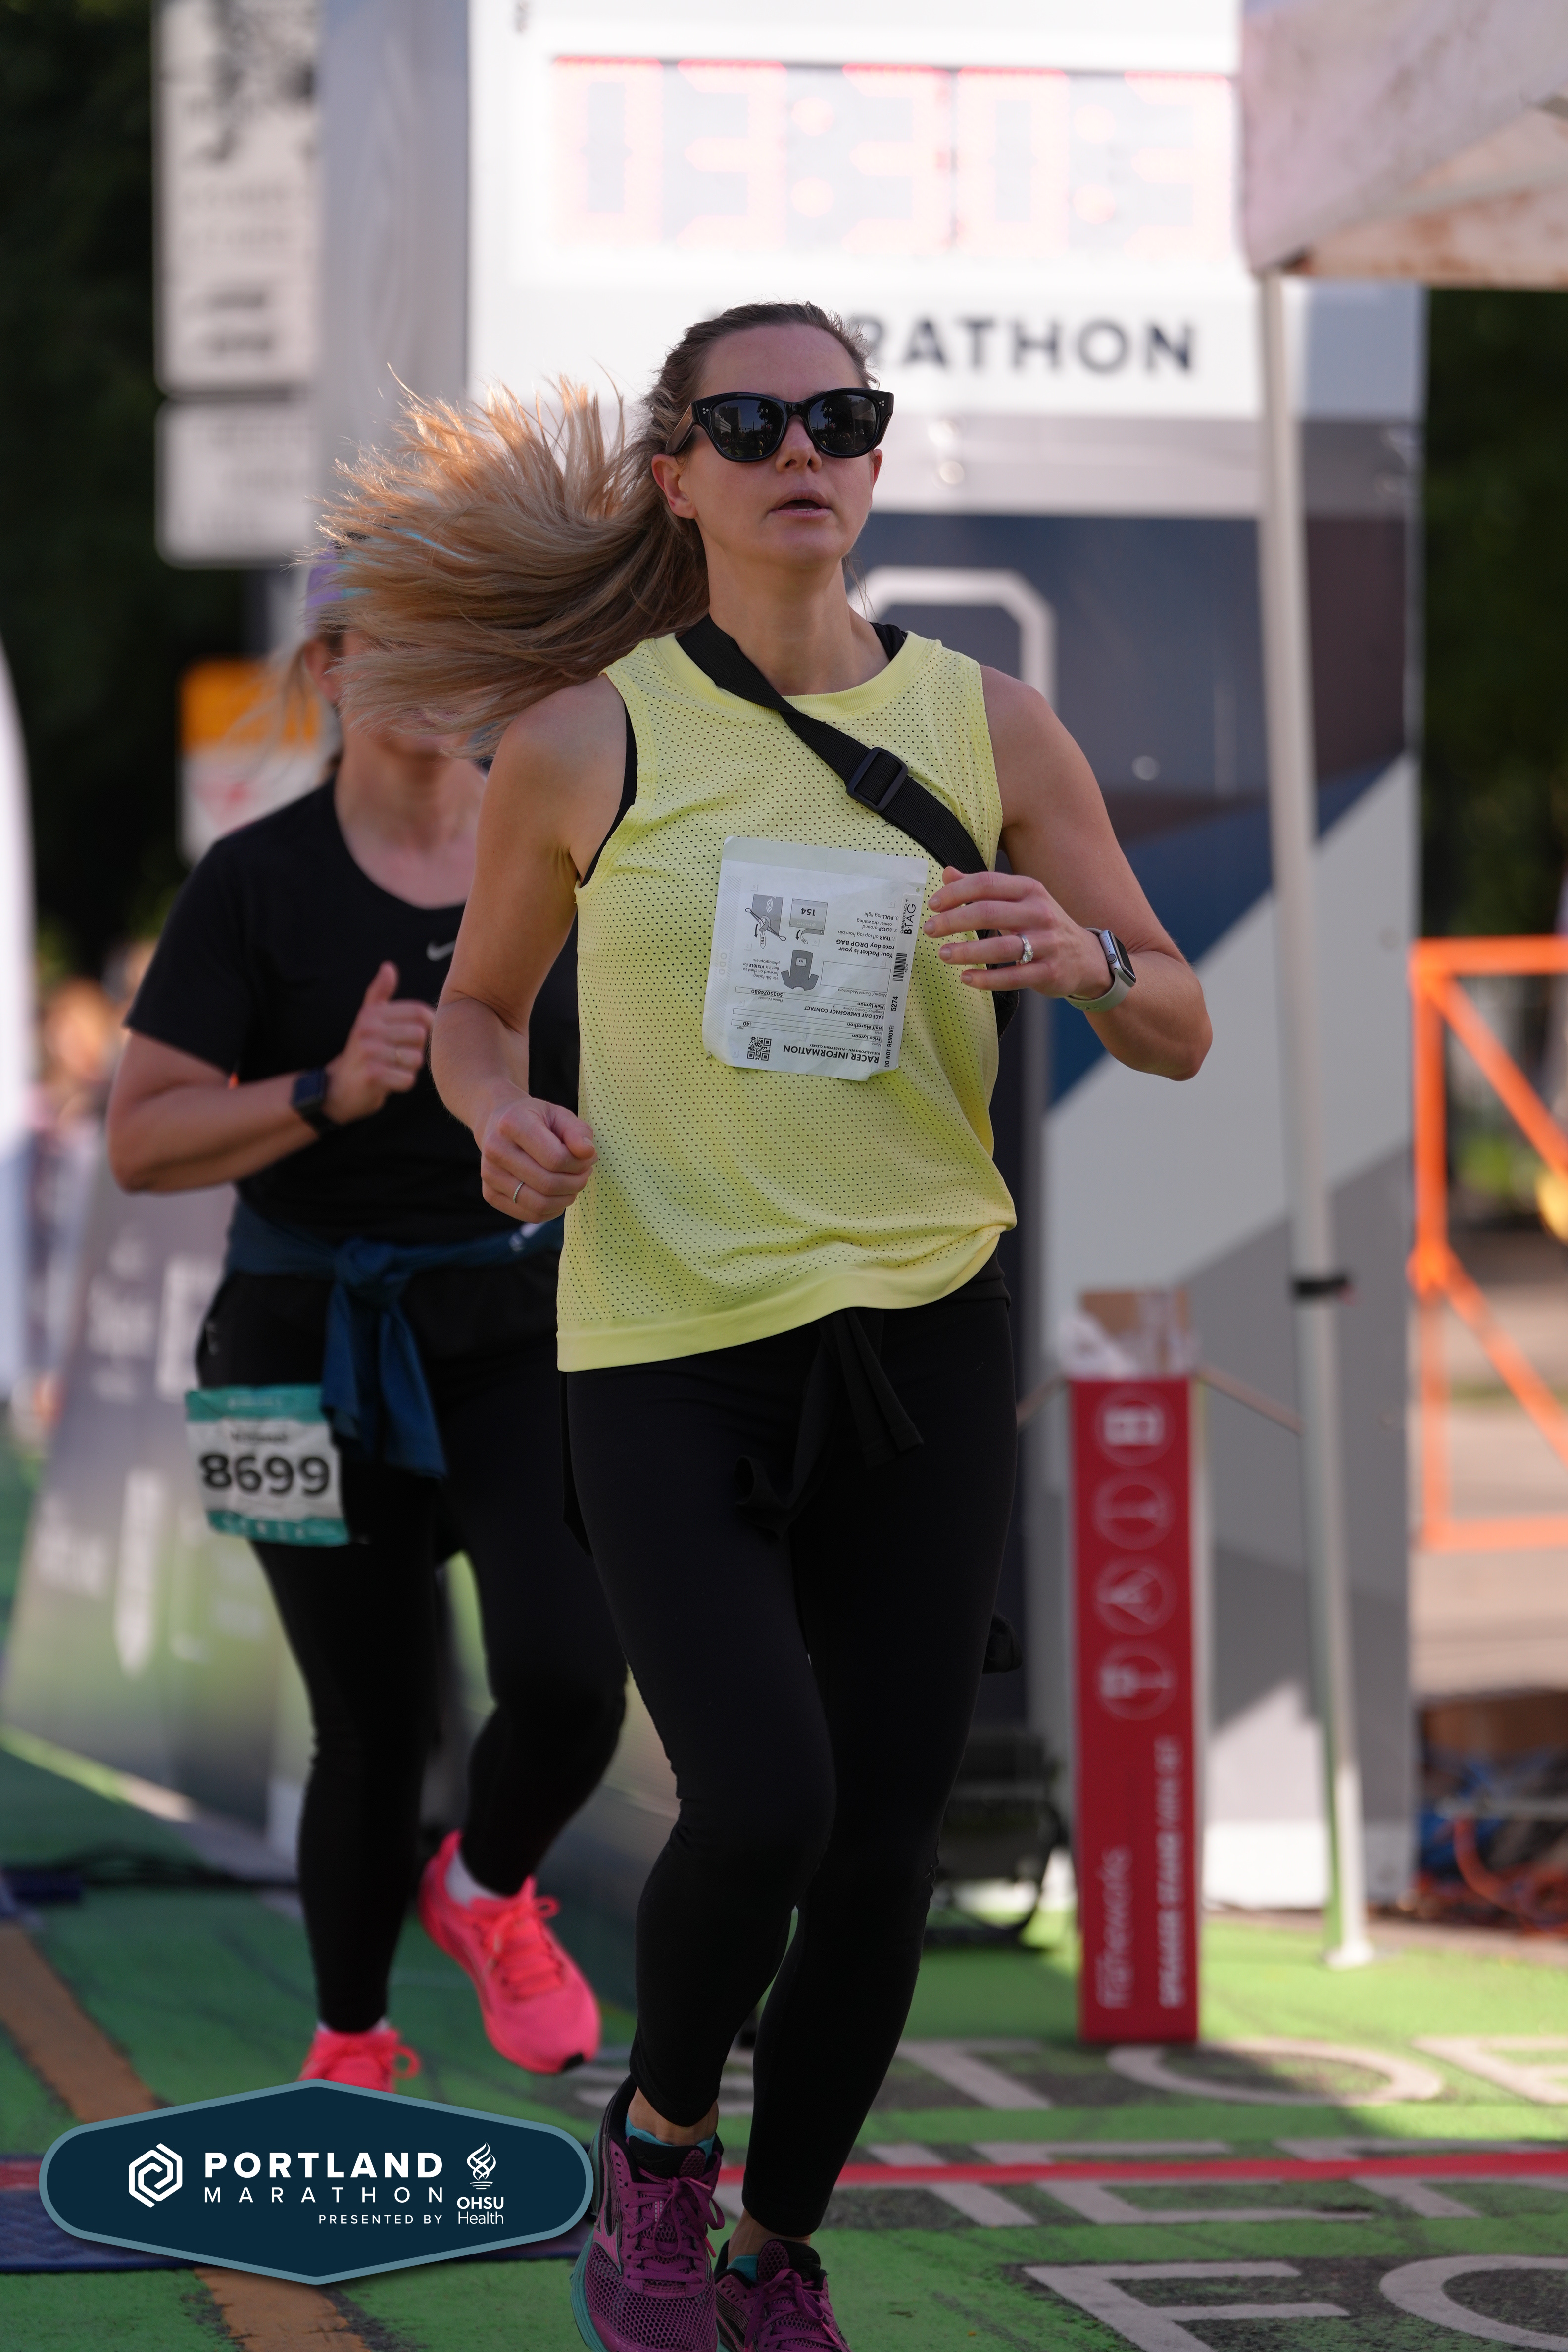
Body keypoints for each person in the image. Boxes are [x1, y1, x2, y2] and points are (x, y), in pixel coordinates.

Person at [321, 300, 1211, 2352]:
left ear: (877, 460)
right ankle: (658, 2143)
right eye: (748, 420)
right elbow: (478, 1009)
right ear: (678, 476)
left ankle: (775, 2246)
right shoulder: (585, 738)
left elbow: (1176, 1019)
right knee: (769, 1803)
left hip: (920, 1330)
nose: (799, 447)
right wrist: (497, 1117)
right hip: (666, 1340)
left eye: (839, 416)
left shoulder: (998, 727)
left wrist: (1085, 956)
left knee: (887, 1854)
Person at [104, 573, 627, 2093]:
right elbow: (140, 1140)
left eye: (466, 638)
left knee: (573, 1678)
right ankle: (349, 2040)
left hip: (517, 1321)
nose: (438, 675)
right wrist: (324, 1091)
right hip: (293, 1342)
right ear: (329, 668)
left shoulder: (562, 844)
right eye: (396, 642)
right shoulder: (253, 880)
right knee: (369, 1727)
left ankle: (488, 1889)